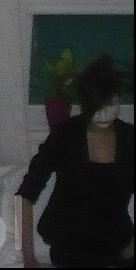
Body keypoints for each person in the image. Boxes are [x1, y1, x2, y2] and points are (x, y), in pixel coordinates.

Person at [16, 54, 134, 268]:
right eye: (98, 106)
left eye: (111, 103)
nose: (105, 112)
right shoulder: (65, 135)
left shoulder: (129, 138)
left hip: (118, 240)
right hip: (71, 242)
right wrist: (29, 258)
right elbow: (26, 194)